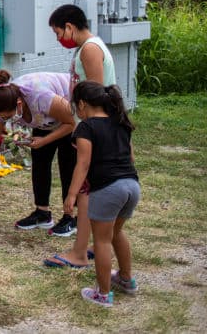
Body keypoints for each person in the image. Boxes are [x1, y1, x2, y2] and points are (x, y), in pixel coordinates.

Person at [44, 3, 117, 268]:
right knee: (91, 189)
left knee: (86, 191)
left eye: (58, 32)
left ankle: (79, 253)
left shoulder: (90, 49)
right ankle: (89, 245)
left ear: (70, 27)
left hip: (93, 132)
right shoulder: (87, 48)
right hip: (90, 130)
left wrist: (86, 131)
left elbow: (96, 95)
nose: (58, 38)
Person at [0, 70, 75, 234]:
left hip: (70, 116)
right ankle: (42, 213)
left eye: (8, 116)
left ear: (19, 104)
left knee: (68, 164)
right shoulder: (0, 107)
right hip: (45, 121)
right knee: (40, 160)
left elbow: (72, 122)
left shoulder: (40, 96)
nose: (5, 120)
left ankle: (70, 217)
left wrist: (45, 140)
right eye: (3, 118)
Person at [64, 81, 140, 306]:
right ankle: (126, 279)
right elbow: (131, 158)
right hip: (132, 186)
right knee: (116, 233)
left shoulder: (86, 127)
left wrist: (71, 194)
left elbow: (83, 163)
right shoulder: (121, 123)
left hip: (108, 189)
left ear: (82, 104)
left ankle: (103, 294)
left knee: (102, 241)